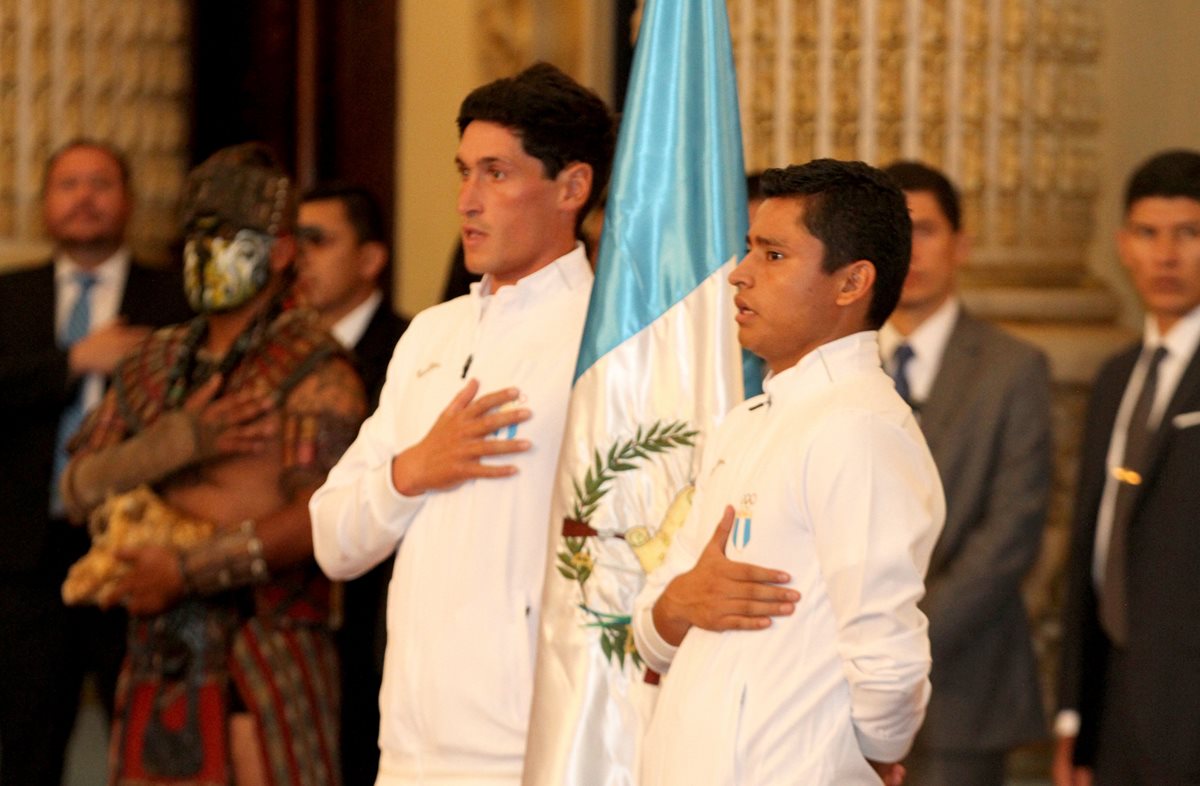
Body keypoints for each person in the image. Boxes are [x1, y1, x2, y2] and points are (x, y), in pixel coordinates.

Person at [309, 63, 614, 785]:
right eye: (463, 172)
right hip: (408, 743)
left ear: (572, 187)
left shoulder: (610, 341)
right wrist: (414, 469)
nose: (468, 201)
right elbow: (332, 539)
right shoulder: (431, 336)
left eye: (496, 174)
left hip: (538, 747)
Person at [632, 160, 945, 785]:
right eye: (749, 249)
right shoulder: (748, 422)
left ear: (852, 282)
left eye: (773, 256)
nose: (740, 275)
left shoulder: (859, 429)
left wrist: (869, 756)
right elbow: (651, 630)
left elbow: (887, 655)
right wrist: (678, 601)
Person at [61, 142, 366, 785]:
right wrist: (174, 443)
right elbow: (77, 487)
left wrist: (185, 570)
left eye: (226, 236)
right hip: (155, 650)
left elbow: (321, 518)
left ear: (280, 253)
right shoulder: (154, 359)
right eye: (195, 236)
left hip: (266, 652)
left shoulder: (316, 366)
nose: (204, 253)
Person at [0, 139, 191, 785]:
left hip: (136, 548)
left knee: (141, 739)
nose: (84, 198)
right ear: (46, 204)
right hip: (26, 556)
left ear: (129, 202)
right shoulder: (12, 295)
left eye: (100, 184)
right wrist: (73, 361)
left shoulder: (174, 296)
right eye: (68, 184)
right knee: (26, 739)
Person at [879, 161, 1052, 786]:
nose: (912, 249)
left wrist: (897, 637)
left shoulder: (1014, 369)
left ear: (961, 245)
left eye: (925, 229)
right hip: (833, 687)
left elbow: (1012, 534)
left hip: (961, 690)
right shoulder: (835, 368)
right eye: (895, 231)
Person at [1054, 149, 1200, 786]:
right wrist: (1073, 718)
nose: (1165, 256)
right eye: (1148, 234)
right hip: (1116, 711)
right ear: (1122, 245)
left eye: (1189, 234)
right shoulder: (1117, 377)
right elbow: (1095, 546)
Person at [296, 182, 410, 786]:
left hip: (373, 612)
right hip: (294, 611)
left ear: (369, 259)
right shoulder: (281, 355)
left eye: (319, 240)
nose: (300, 257)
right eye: (295, 241)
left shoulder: (409, 350)